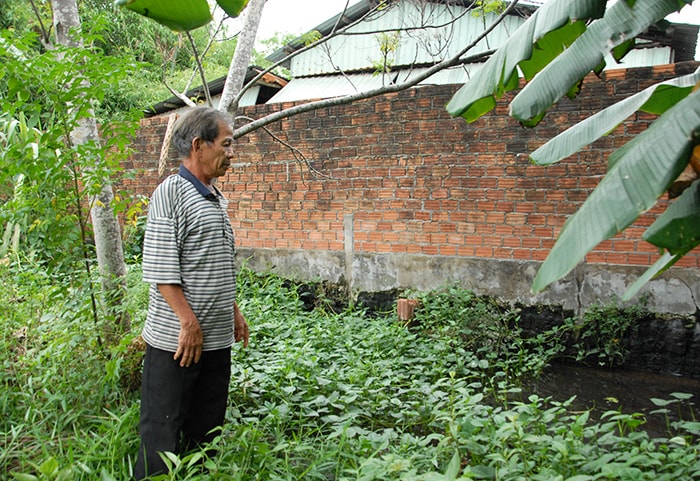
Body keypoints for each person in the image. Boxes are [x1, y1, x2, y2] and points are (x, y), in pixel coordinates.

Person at [134, 107, 249, 480]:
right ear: (199, 145)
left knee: (206, 427)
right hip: (177, 343)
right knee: (161, 434)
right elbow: (160, 269)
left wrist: (233, 310)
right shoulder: (171, 194)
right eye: (226, 144)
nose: (232, 153)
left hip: (214, 340)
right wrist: (188, 321)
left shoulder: (214, 198)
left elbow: (214, 264)